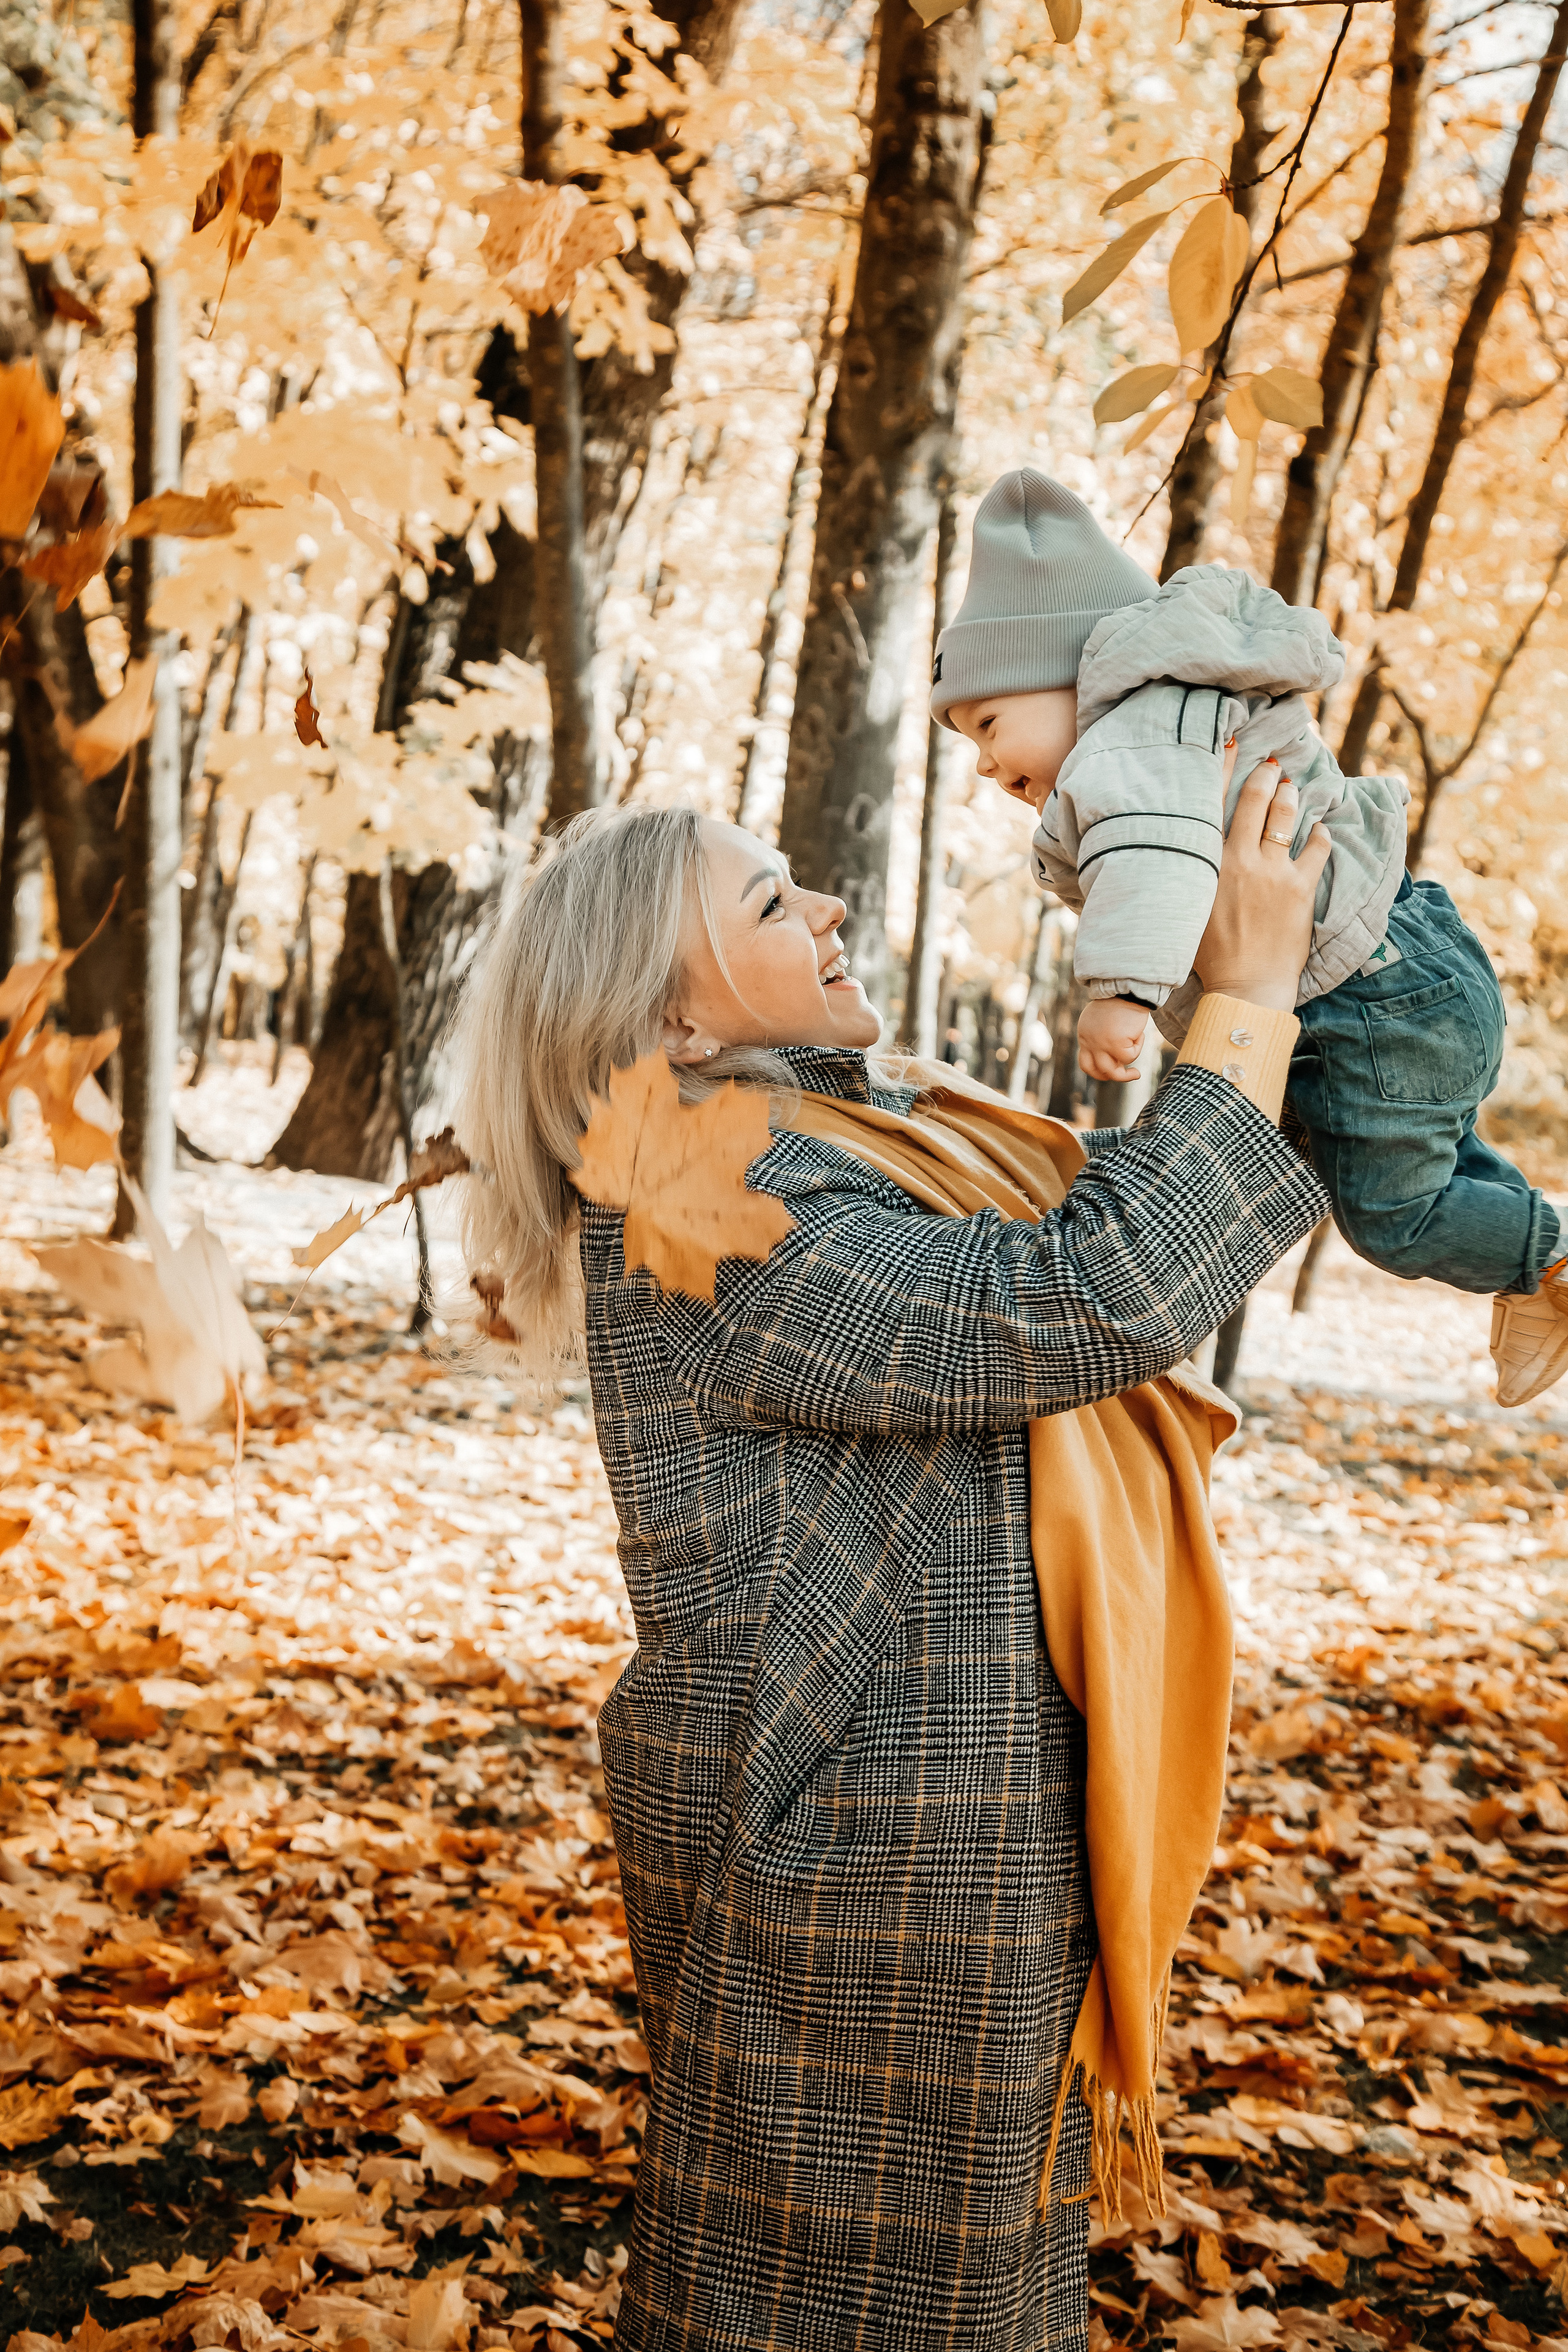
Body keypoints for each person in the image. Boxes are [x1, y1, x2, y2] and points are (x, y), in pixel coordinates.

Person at [450, 772, 1329, 2349]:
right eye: (769, 903)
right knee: (830, 2309)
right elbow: (1080, 1296)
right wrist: (1246, 995)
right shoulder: (699, 1192)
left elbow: (1081, 1234)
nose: (828, 905)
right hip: (851, 1859)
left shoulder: (827, 1140)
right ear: (673, 1025)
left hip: (915, 1834)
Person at [934, 468, 1568, 1408]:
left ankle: (1544, 1258)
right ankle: (1539, 1273)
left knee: (1393, 1218)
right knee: (1407, 1168)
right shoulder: (1179, 718)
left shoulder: (1129, 742)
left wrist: (1120, 992)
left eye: (990, 723)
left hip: (1371, 998)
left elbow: (1157, 858)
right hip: (1404, 968)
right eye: (968, 744)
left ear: (1069, 672)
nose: (987, 764)